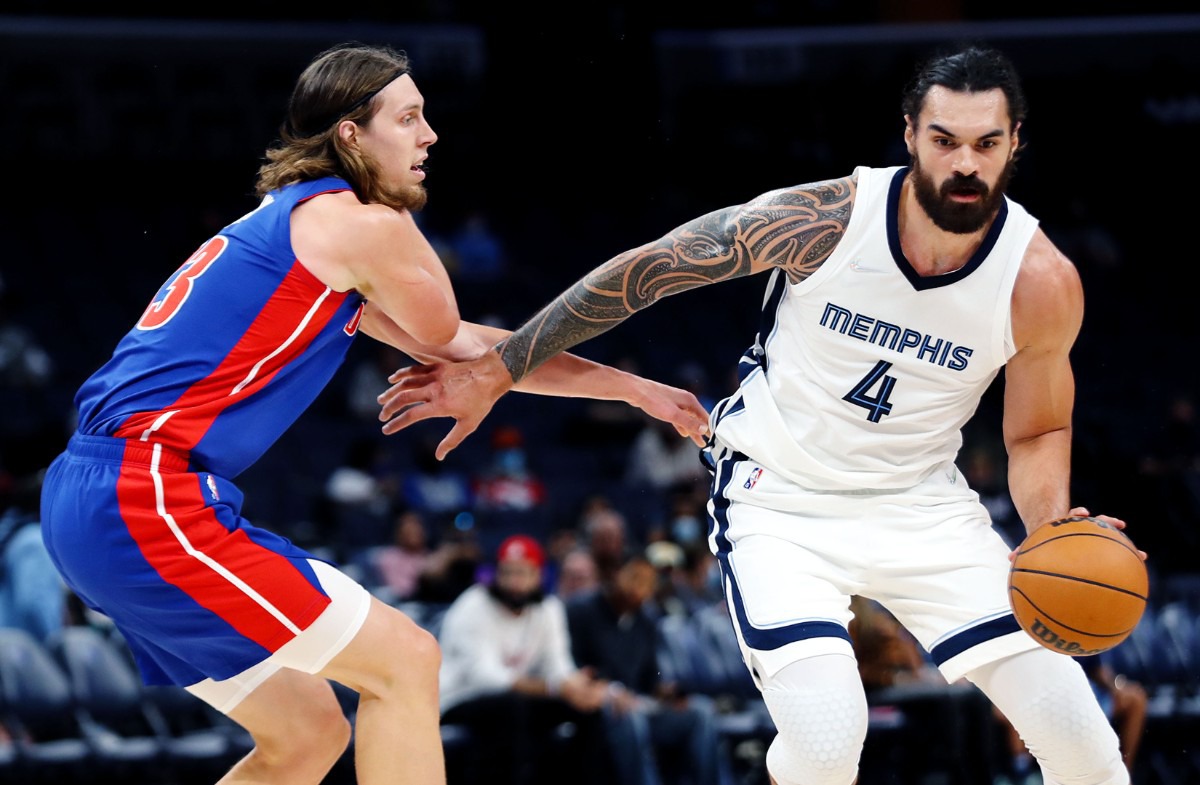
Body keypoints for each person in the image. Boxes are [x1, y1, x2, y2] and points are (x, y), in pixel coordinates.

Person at [378, 45, 1140, 785]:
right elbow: (648, 270)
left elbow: (1038, 429)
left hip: (923, 507)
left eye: (986, 142)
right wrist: (501, 367)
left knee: (1088, 752)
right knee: (827, 743)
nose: (965, 162)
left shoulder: (1039, 281)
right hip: (780, 499)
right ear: (910, 135)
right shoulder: (823, 221)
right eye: (944, 140)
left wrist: (1051, 534)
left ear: (1016, 144)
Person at [36, 42, 708, 785]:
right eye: (410, 117)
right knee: (407, 661)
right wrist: (396, 212)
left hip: (94, 497)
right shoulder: (359, 224)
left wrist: (627, 387)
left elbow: (477, 351)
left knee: (307, 734)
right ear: (351, 135)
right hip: (145, 498)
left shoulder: (304, 230)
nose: (431, 136)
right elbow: (449, 323)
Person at [437, 535, 613, 785]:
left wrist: (581, 688)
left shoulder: (549, 608)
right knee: (513, 707)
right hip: (459, 699)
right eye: (506, 573)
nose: (513, 582)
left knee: (587, 710)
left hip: (517, 699)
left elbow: (559, 666)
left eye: (522, 573)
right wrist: (555, 687)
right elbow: (484, 676)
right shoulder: (472, 606)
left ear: (538, 575)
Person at [565, 552, 727, 785]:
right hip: (600, 708)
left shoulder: (646, 621)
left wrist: (667, 692)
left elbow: (650, 679)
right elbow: (571, 666)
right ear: (617, 574)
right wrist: (610, 689)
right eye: (634, 576)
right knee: (630, 717)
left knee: (701, 713)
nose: (638, 586)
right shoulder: (583, 610)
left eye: (646, 581)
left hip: (639, 704)